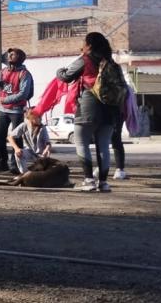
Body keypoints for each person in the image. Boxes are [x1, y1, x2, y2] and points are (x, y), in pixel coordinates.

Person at [56, 32, 123, 192]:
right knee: (103, 147)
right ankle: (103, 183)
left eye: (84, 43)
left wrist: (59, 71)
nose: (83, 46)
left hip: (89, 107)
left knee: (81, 142)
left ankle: (88, 181)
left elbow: (66, 77)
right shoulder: (111, 63)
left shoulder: (85, 60)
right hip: (110, 109)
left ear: (89, 45)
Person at [0, 48, 34, 174]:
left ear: (19, 57)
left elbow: (23, 94)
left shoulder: (25, 74)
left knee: (16, 137)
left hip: (17, 110)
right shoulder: (4, 71)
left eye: (12, 54)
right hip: (3, 110)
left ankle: (16, 165)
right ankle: (1, 163)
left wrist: (5, 99)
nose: (9, 55)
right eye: (9, 54)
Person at [7, 110, 52, 175]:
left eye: (40, 117)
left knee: (43, 173)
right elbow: (10, 137)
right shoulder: (24, 125)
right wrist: (16, 148)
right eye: (38, 117)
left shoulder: (42, 128)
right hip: (30, 152)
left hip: (41, 155)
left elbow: (48, 143)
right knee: (18, 154)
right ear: (31, 118)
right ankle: (25, 174)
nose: (40, 119)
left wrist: (47, 149)